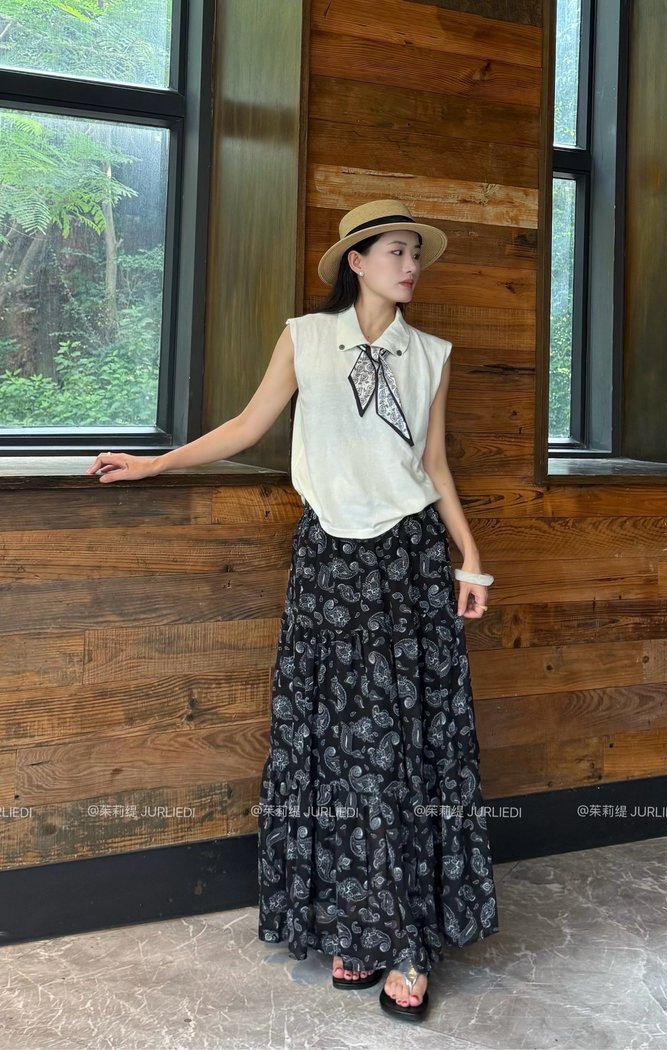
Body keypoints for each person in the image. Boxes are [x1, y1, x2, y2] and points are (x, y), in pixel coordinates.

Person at [85, 198, 500, 1023]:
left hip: (408, 563)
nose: (410, 264)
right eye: (394, 251)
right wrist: (155, 464)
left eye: (416, 252)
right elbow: (248, 426)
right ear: (356, 262)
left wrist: (471, 556)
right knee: (333, 746)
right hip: (327, 564)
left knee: (401, 747)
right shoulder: (307, 340)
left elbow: (433, 463)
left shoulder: (431, 356)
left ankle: (405, 942)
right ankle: (357, 924)